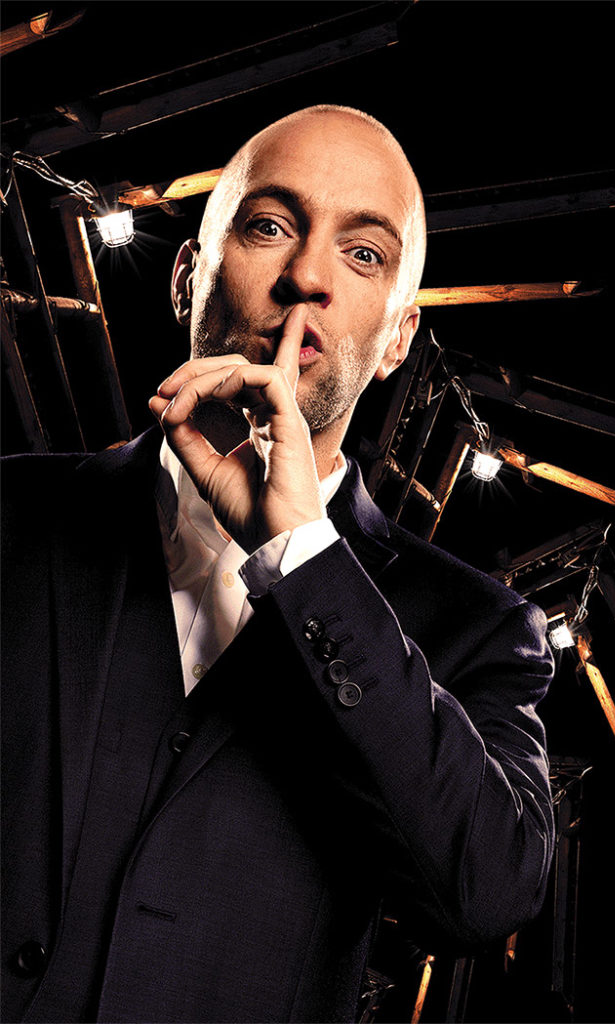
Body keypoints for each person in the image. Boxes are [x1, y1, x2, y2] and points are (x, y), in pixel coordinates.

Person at [1, 105, 555, 1024]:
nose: (306, 277)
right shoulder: (16, 512)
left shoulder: (479, 630)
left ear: (397, 339)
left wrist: (303, 553)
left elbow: (487, 893)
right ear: (187, 277)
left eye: (363, 254)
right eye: (268, 227)